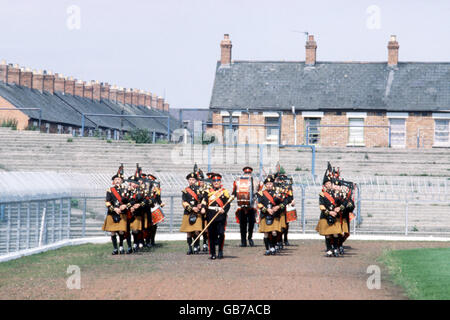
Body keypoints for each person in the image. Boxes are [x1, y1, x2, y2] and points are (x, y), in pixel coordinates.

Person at [315, 164, 344, 257]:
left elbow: (342, 203)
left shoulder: (337, 193)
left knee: (335, 234)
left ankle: (335, 248)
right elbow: (321, 206)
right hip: (325, 216)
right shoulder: (322, 194)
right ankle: (329, 249)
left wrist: (338, 209)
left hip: (335, 216)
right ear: (324, 185)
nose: (328, 185)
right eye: (326, 184)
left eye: (330, 184)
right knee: (327, 235)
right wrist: (329, 212)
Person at [256, 175, 287, 256]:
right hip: (265, 215)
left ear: (273, 184)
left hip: (274, 215)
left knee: (274, 232)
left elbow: (284, 202)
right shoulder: (261, 193)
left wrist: (278, 206)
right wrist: (266, 209)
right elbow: (259, 204)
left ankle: (273, 247)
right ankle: (267, 249)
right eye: (267, 184)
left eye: (270, 184)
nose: (269, 185)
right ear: (265, 185)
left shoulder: (277, 193)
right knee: (266, 233)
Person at [205, 173, 232, 260]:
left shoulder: (224, 192)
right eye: (214, 181)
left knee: (221, 233)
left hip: (221, 216)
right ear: (212, 182)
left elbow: (228, 204)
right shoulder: (208, 192)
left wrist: (224, 210)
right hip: (211, 214)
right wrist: (202, 208)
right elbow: (204, 202)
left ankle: (220, 250)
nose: (216, 182)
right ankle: (212, 253)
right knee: (211, 235)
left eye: (218, 181)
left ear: (220, 182)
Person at [102, 166, 128, 255]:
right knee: (112, 232)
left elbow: (129, 200)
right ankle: (115, 248)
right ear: (114, 181)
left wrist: (125, 205)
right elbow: (107, 202)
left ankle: (121, 246)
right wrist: (115, 209)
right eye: (116, 179)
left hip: (122, 213)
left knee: (121, 230)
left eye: (119, 179)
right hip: (112, 213)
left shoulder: (126, 189)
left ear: (122, 180)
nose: (117, 180)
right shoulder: (110, 190)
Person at [180, 172, 206, 255]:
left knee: (196, 231)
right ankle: (190, 247)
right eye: (190, 179)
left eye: (193, 179)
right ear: (188, 180)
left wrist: (200, 206)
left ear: (196, 180)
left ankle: (196, 246)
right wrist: (192, 208)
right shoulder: (185, 191)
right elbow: (184, 202)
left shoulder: (201, 190)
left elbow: (204, 200)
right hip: (188, 212)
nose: (191, 181)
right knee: (188, 232)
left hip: (197, 213)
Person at [232, 166, 258, 247]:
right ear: (243, 173)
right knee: (242, 224)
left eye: (249, 173)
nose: (247, 175)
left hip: (251, 206)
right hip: (241, 206)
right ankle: (243, 241)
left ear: (251, 173)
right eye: (246, 173)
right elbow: (234, 192)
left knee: (251, 224)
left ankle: (250, 238)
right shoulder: (238, 181)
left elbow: (259, 192)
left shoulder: (256, 181)